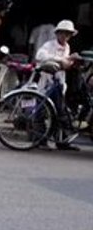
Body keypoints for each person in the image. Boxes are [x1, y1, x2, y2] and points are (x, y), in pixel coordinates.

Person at [35, 19, 81, 150]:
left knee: (59, 112)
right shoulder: (49, 45)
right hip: (46, 81)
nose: (65, 36)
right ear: (58, 33)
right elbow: (40, 55)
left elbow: (64, 65)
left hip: (59, 82)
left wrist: (70, 61)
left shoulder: (67, 47)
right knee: (41, 111)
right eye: (63, 33)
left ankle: (61, 140)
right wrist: (62, 59)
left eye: (68, 34)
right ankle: (39, 140)